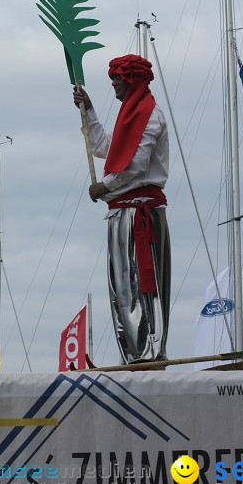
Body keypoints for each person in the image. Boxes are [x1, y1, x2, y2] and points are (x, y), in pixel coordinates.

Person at [72, 54, 171, 364]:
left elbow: (136, 165)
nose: (113, 82)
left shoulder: (148, 115)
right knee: (123, 290)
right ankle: (133, 353)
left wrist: (105, 186)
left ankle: (148, 352)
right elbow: (105, 148)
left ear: (132, 81)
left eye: (118, 78)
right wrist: (88, 111)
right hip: (123, 213)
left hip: (140, 213)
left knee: (143, 285)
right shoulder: (131, 117)